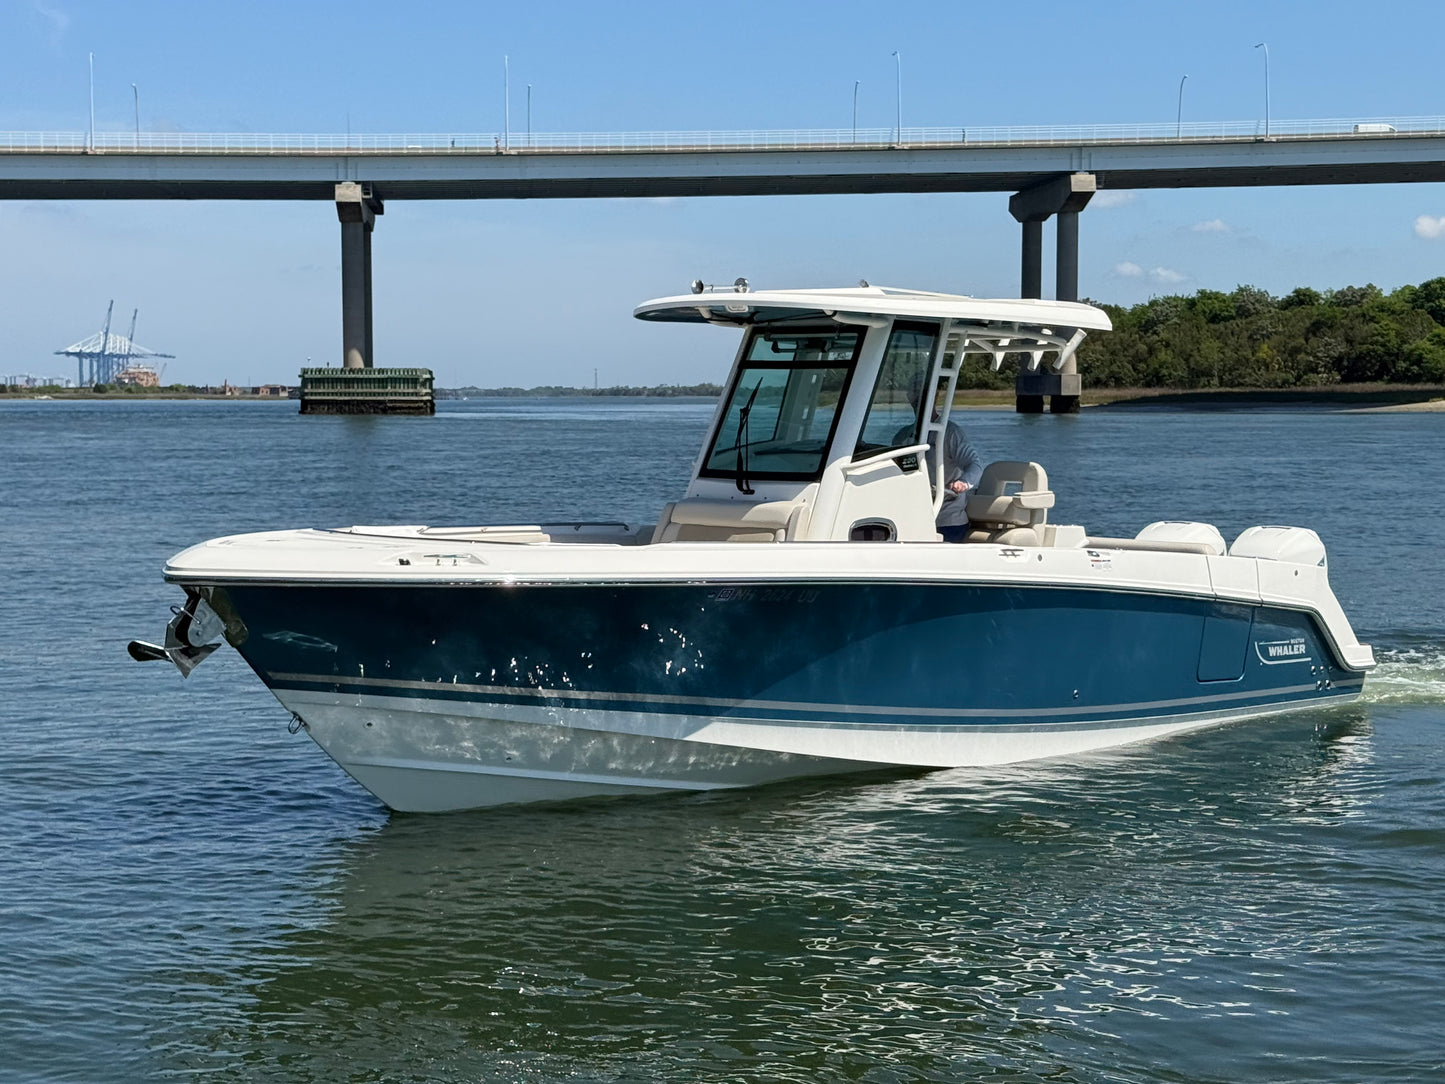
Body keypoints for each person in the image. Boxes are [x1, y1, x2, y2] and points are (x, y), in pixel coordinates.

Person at [894, 400, 984, 542]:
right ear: (909, 397)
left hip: (949, 522)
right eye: (915, 392)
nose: (919, 397)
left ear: (935, 395)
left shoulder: (951, 433)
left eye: (922, 391)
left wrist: (963, 482)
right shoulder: (902, 436)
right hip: (913, 519)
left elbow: (974, 464)